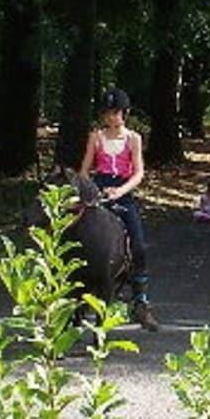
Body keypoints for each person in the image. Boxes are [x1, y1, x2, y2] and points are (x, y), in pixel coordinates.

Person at [79, 88, 158, 330]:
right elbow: (84, 171)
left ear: (125, 113)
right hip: (99, 190)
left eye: (115, 113)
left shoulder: (133, 139)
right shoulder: (96, 137)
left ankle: (140, 301)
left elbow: (139, 172)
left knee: (139, 245)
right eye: (107, 113)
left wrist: (121, 191)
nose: (111, 117)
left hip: (123, 193)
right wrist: (92, 191)